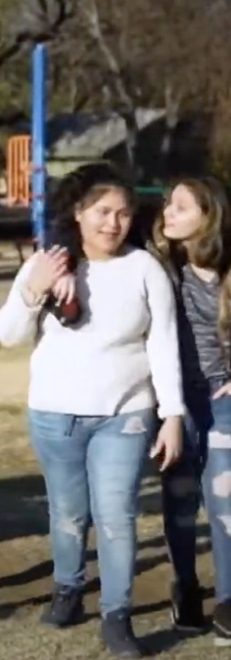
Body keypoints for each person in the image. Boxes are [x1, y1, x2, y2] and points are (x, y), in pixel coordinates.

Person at [0, 163, 184, 658]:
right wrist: (34, 289)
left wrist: (174, 415)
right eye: (102, 211)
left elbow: (163, 345)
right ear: (78, 213)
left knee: (117, 515)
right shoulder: (49, 262)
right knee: (69, 514)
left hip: (126, 415)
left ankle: (116, 614)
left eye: (123, 213)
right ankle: (68, 589)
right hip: (55, 415)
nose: (113, 223)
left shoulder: (145, 268)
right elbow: (7, 334)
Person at [143, 177, 231, 646]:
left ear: (209, 215)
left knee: (225, 497)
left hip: (224, 400)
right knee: (180, 499)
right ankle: (186, 586)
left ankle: (228, 602)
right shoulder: (162, 267)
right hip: (176, 402)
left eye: (180, 206)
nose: (167, 213)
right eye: (166, 205)